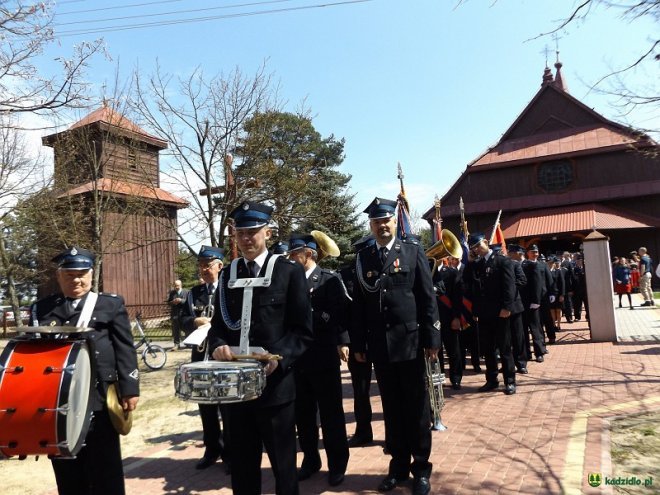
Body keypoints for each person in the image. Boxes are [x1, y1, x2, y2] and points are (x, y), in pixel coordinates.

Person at [208, 201, 313, 495]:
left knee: (283, 468)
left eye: (252, 232)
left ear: (267, 232)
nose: (245, 239)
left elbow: (303, 331)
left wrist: (278, 357)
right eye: (240, 232)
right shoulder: (228, 274)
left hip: (275, 389)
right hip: (235, 391)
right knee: (242, 469)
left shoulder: (287, 271)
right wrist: (217, 345)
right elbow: (217, 326)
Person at [30, 247, 139, 495]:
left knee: (105, 466)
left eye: (82, 274)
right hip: (59, 400)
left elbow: (125, 348)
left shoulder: (109, 304)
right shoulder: (43, 309)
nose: (76, 280)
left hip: (100, 396)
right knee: (67, 466)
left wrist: (130, 388)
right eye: (69, 274)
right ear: (59, 277)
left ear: (91, 275)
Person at [351, 197, 440, 495]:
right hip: (380, 346)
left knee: (416, 409)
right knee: (392, 409)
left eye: (386, 220)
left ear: (394, 222)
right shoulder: (364, 258)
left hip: (411, 343)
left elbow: (428, 299)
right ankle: (398, 466)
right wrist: (359, 343)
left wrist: (432, 338)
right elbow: (360, 308)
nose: (382, 226)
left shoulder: (412, 252)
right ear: (371, 226)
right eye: (376, 222)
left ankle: (421, 469)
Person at [287, 233, 350, 487]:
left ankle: (337, 464)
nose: (291, 259)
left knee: (331, 413)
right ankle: (310, 460)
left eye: (295, 254)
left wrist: (342, 341)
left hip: (322, 355)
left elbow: (341, 313)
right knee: (303, 414)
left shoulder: (329, 280)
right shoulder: (289, 281)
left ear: (308, 254)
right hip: (298, 359)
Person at [180, 246, 230, 471]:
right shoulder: (194, 293)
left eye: (207, 265)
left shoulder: (229, 289)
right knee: (206, 405)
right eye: (200, 265)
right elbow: (182, 319)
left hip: (223, 354)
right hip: (201, 353)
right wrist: (194, 322)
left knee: (227, 405)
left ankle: (231, 452)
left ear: (220, 265)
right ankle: (212, 448)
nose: (203, 269)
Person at [463, 233, 517, 395]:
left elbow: (509, 286)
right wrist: (471, 262)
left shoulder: (502, 261)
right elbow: (467, 282)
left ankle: (510, 381)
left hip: (500, 312)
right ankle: (492, 379)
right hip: (484, 313)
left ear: (486, 242)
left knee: (505, 348)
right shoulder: (476, 264)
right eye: (473, 248)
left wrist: (507, 307)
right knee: (488, 349)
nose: (477, 250)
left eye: (478, 246)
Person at [339, 235, 377, 448]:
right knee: (360, 391)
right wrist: (345, 341)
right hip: (357, 340)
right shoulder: (346, 274)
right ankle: (363, 431)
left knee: (390, 390)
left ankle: (394, 434)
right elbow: (344, 311)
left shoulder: (385, 268)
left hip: (383, 338)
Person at [432, 255, 465, 389]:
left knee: (454, 350)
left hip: (450, 317)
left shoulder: (451, 272)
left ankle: (456, 378)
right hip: (433, 319)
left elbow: (458, 297)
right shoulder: (426, 271)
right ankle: (438, 380)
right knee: (435, 352)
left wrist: (457, 317)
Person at [521, 245, 549, 362]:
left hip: (536, 300)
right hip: (523, 302)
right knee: (523, 329)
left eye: (537, 252)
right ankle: (526, 353)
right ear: (527, 253)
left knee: (535, 328)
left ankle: (539, 352)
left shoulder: (540, 265)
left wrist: (536, 301)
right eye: (533, 252)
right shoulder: (522, 265)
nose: (535, 254)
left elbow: (542, 283)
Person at [506, 244, 529, 373]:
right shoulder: (496, 266)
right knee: (505, 339)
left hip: (515, 306)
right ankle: (507, 364)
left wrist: (507, 287)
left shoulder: (515, 265)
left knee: (518, 336)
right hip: (501, 309)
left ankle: (521, 363)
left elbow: (522, 280)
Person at [166, 279, 188, 349]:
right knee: (176, 330)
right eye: (175, 286)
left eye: (177, 285)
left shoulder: (186, 292)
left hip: (184, 314)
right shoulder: (172, 293)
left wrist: (181, 301)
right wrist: (173, 302)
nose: (176, 287)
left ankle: (188, 343)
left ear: (181, 285)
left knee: (187, 328)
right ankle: (176, 344)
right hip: (175, 314)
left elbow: (189, 302)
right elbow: (168, 302)